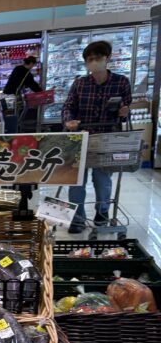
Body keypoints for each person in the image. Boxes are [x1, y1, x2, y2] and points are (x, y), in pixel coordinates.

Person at [61, 40, 132, 233]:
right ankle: (77, 219)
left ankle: (102, 212)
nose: (93, 62)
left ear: (107, 58)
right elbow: (68, 106)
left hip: (106, 139)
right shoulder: (80, 83)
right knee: (76, 181)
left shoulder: (121, 82)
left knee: (102, 180)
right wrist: (69, 120)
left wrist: (124, 112)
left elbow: (126, 110)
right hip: (80, 138)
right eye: (89, 59)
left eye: (97, 58)